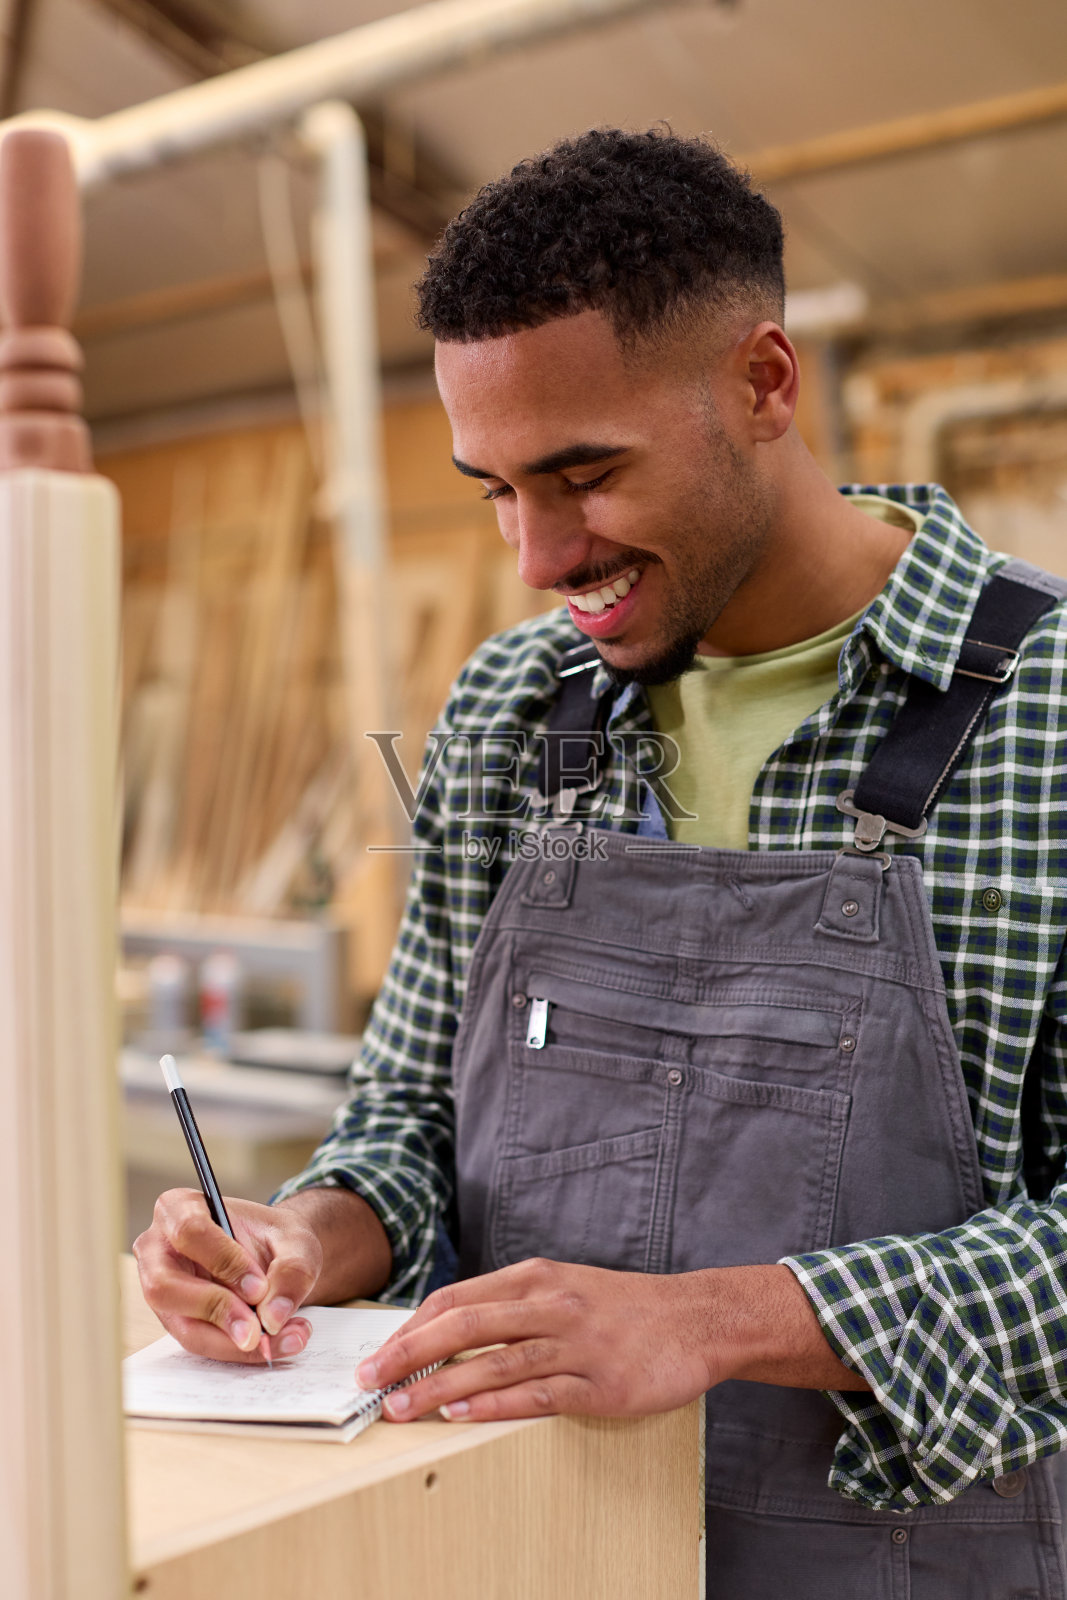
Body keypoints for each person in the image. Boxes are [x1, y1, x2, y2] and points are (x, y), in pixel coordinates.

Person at [134, 129, 1067, 1597]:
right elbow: (411, 1122)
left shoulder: (1047, 715)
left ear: (765, 384)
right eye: (495, 488)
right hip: (528, 1545)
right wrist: (308, 1236)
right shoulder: (513, 711)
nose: (535, 556)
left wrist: (719, 1318)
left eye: (582, 474)